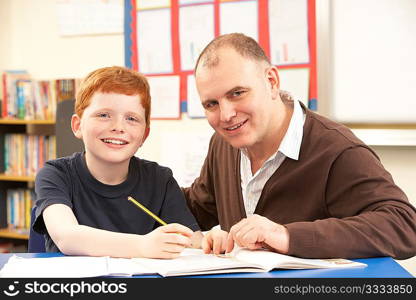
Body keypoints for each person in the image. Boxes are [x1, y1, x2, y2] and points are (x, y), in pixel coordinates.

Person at [183, 33, 416, 259]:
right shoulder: (224, 144)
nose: (226, 115)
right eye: (211, 104)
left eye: (237, 93)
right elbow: (197, 208)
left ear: (271, 81)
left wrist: (286, 236)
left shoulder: (336, 150)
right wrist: (148, 175)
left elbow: (404, 225)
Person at [33, 66, 202, 259]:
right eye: (104, 115)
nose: (118, 127)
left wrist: (209, 241)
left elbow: (190, 240)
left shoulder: (160, 179)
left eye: (131, 118)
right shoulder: (55, 174)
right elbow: (67, 236)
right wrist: (143, 246)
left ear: (144, 135)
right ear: (78, 126)